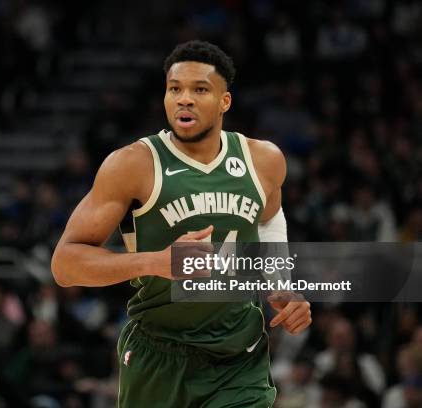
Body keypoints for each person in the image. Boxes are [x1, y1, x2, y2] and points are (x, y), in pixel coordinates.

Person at [51, 40, 312, 407]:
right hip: (159, 354)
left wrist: (280, 284)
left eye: (199, 89)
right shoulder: (132, 165)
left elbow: (269, 221)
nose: (184, 99)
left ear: (225, 102)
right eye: (175, 89)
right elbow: (64, 265)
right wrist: (157, 262)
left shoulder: (264, 160)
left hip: (238, 356)